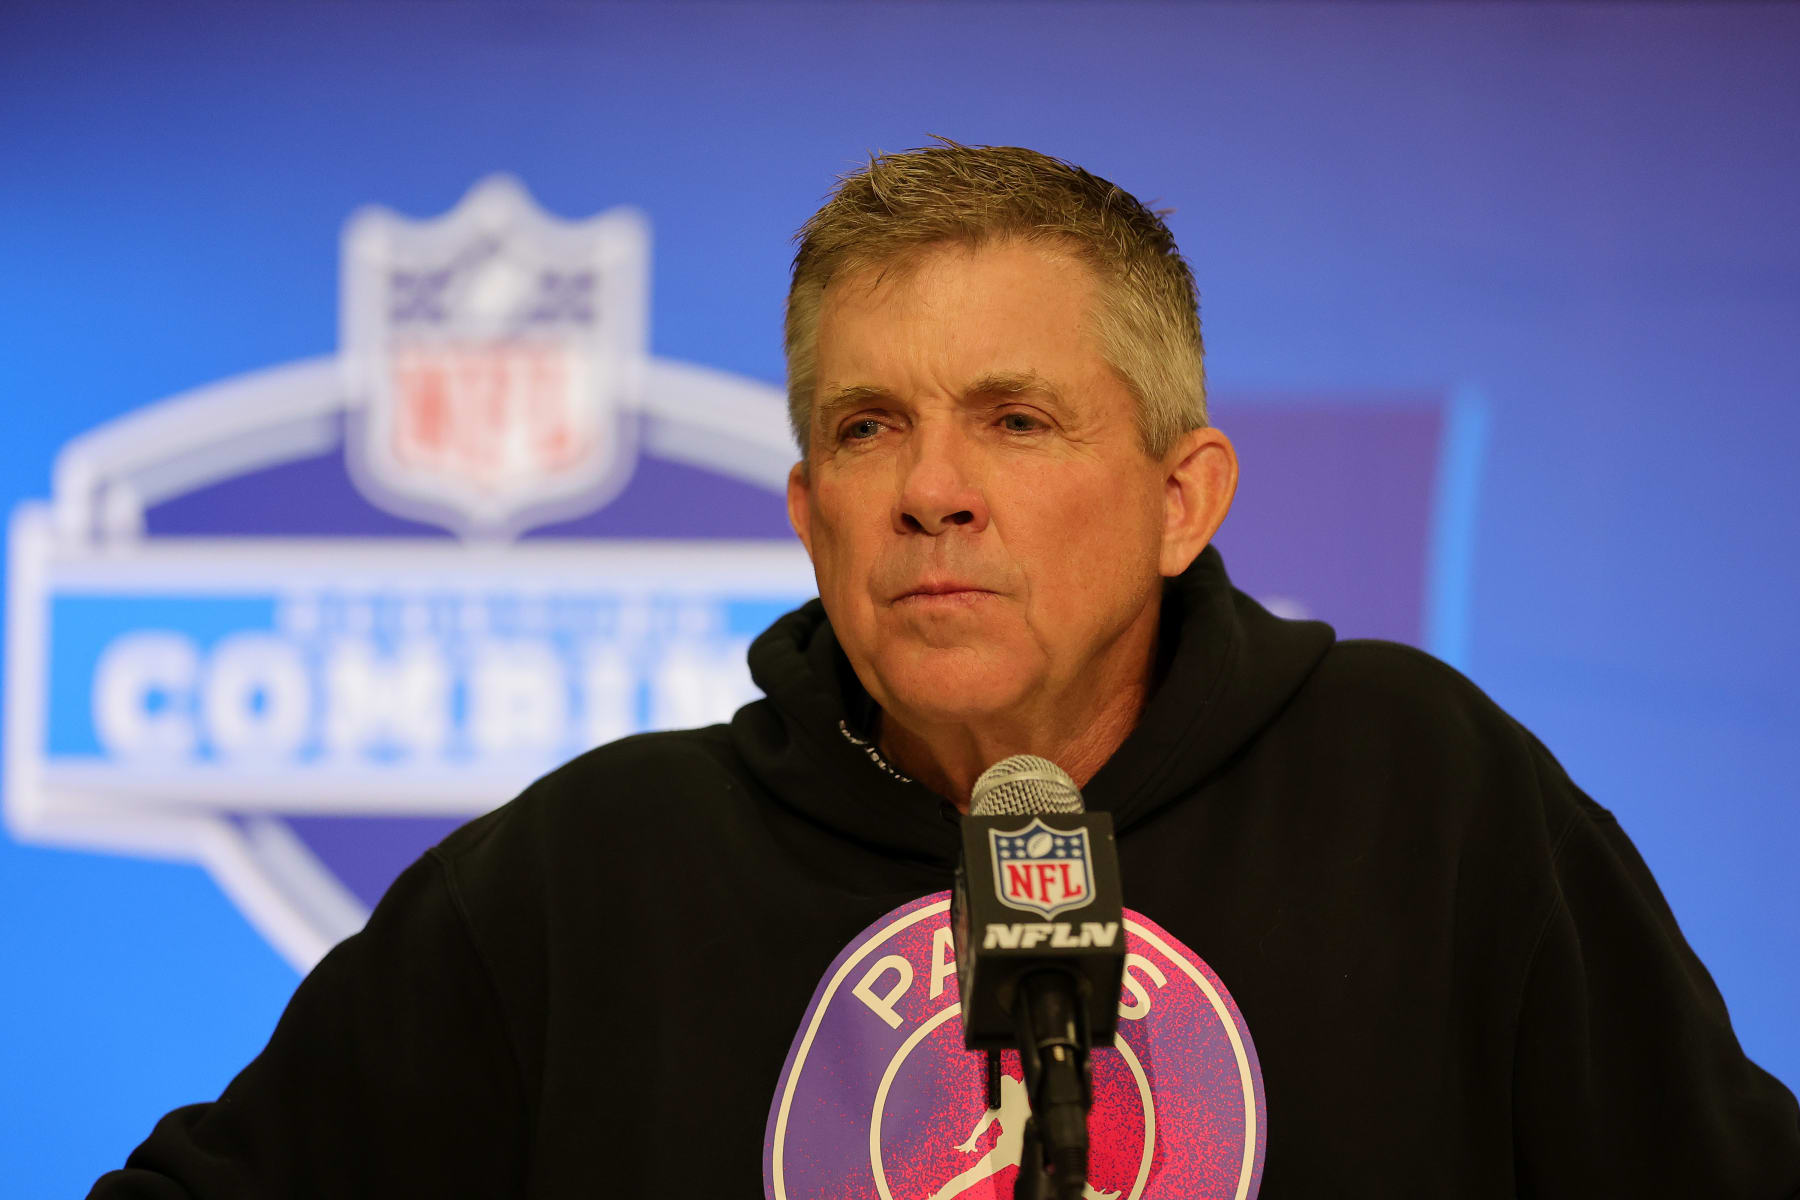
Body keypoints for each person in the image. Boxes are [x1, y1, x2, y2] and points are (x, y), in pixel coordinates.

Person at [92, 142, 1799, 1198]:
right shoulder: (588, 874)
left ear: (1182, 499)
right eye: (867, 427)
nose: (931, 486)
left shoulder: (1424, 799)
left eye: (1017, 417)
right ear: (809, 511)